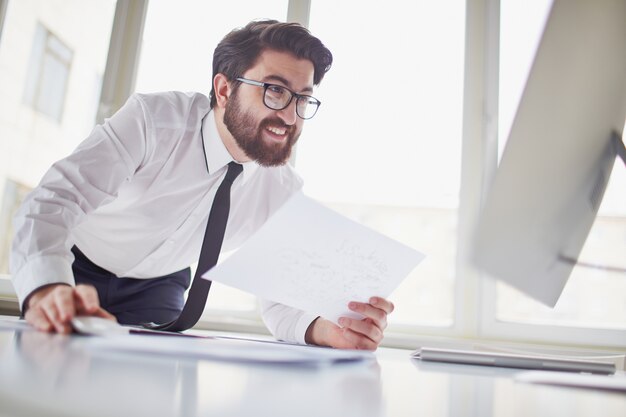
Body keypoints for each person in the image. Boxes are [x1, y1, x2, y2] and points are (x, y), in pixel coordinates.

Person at [10, 19, 394, 350]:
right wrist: (47, 287)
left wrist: (330, 330)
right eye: (275, 91)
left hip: (158, 288)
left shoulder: (282, 191)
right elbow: (54, 201)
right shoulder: (152, 122)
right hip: (75, 268)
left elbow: (282, 301)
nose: (290, 116)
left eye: (302, 98)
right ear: (225, 90)